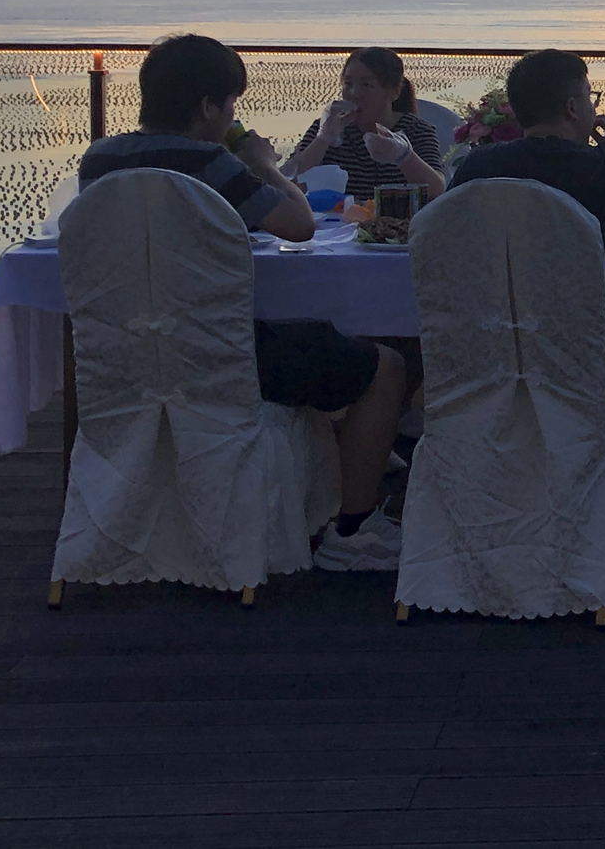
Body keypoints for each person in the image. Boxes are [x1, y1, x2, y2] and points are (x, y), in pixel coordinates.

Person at [78, 33, 408, 571]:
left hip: (127, 358)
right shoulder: (213, 162)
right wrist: (264, 164)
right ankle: (351, 532)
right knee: (384, 366)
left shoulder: (100, 159)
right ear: (209, 106)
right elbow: (299, 226)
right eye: (230, 102)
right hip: (223, 363)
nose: (232, 112)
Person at [448, 49, 605, 434]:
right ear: (572, 107)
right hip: (597, 364)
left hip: (496, 358)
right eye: (589, 96)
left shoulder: (477, 169)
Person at [286, 47, 445, 203]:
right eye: (348, 84)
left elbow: (437, 191)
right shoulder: (328, 126)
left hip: (398, 223)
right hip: (337, 224)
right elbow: (287, 183)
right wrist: (322, 139)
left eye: (367, 85)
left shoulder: (415, 130)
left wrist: (404, 156)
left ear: (394, 91)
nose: (354, 94)